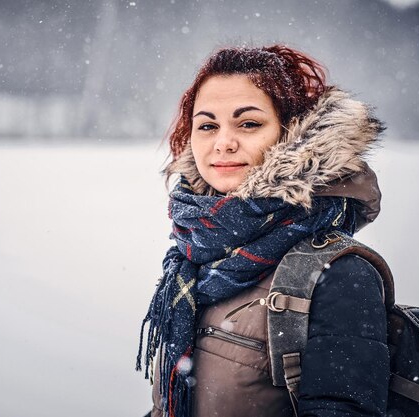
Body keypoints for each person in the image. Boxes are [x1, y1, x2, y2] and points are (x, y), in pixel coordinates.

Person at [136, 45, 390, 417]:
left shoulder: (340, 275)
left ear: (293, 136)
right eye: (207, 125)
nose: (223, 142)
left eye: (248, 123)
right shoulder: (195, 254)